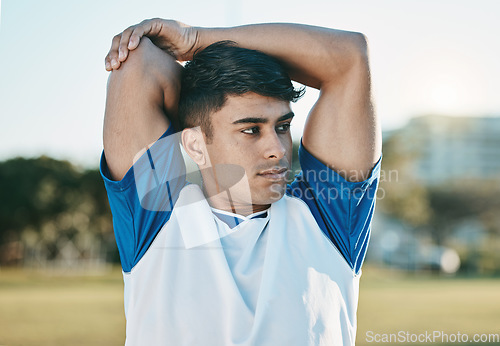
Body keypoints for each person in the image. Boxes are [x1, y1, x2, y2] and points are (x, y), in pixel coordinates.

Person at [101, 18, 382, 346]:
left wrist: (195, 40)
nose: (277, 150)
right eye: (251, 129)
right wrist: (200, 100)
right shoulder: (158, 212)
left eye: (282, 126)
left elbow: (350, 57)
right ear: (194, 145)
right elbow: (140, 63)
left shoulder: (329, 216)